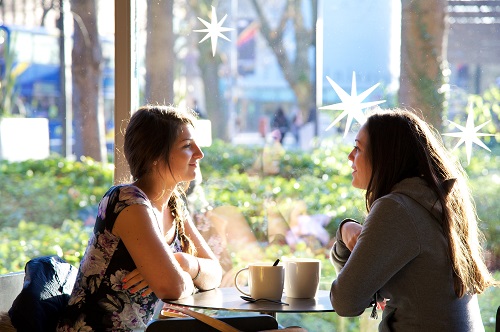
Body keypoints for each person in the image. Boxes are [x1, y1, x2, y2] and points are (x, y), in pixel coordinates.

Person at [329, 108, 498, 331]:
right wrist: (345, 233)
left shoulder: (398, 208)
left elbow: (346, 302)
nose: (350, 155)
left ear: (385, 156)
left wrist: (343, 234)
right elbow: (361, 292)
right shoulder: (434, 201)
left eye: (358, 147)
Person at [57, 105, 223, 331]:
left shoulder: (174, 205)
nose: (200, 153)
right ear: (154, 155)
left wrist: (183, 262)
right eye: (187, 146)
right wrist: (173, 277)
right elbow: (172, 288)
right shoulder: (126, 200)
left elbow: (215, 274)